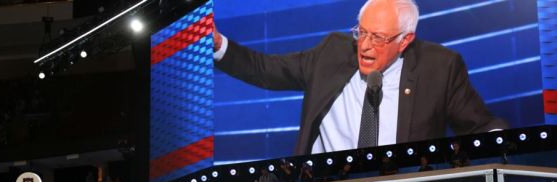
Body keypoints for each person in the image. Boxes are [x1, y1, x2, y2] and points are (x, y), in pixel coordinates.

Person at [213, 0, 507, 155]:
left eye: (377, 37)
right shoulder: (332, 53)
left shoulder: (439, 68)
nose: (364, 45)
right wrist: (218, 45)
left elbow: (481, 125)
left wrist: (501, 143)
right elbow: (266, 69)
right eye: (361, 32)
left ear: (405, 40)